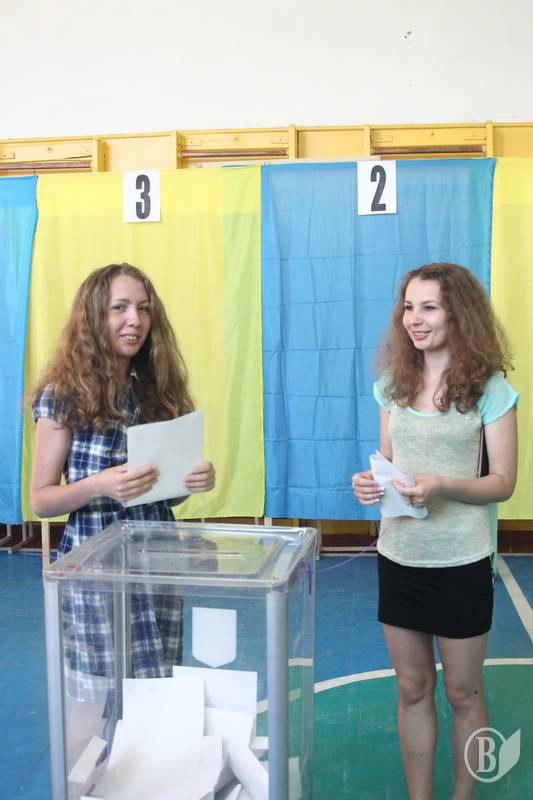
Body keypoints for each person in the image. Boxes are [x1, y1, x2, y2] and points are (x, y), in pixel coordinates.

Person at [351, 263, 518, 800]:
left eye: (429, 307)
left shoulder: (490, 390)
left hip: (461, 562)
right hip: (400, 557)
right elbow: (391, 462)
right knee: (412, 687)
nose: (414, 319)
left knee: (464, 693)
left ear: (458, 314)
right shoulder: (391, 386)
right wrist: (369, 482)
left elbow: (503, 483)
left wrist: (444, 484)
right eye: (408, 307)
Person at [31, 262, 215, 704]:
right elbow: (41, 500)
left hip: (157, 560)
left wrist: (191, 481)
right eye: (120, 307)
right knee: (93, 698)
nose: (135, 320)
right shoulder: (62, 395)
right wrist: (99, 485)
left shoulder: (159, 390)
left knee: (155, 692)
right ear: (94, 315)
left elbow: (166, 493)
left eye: (144, 308)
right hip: (96, 565)